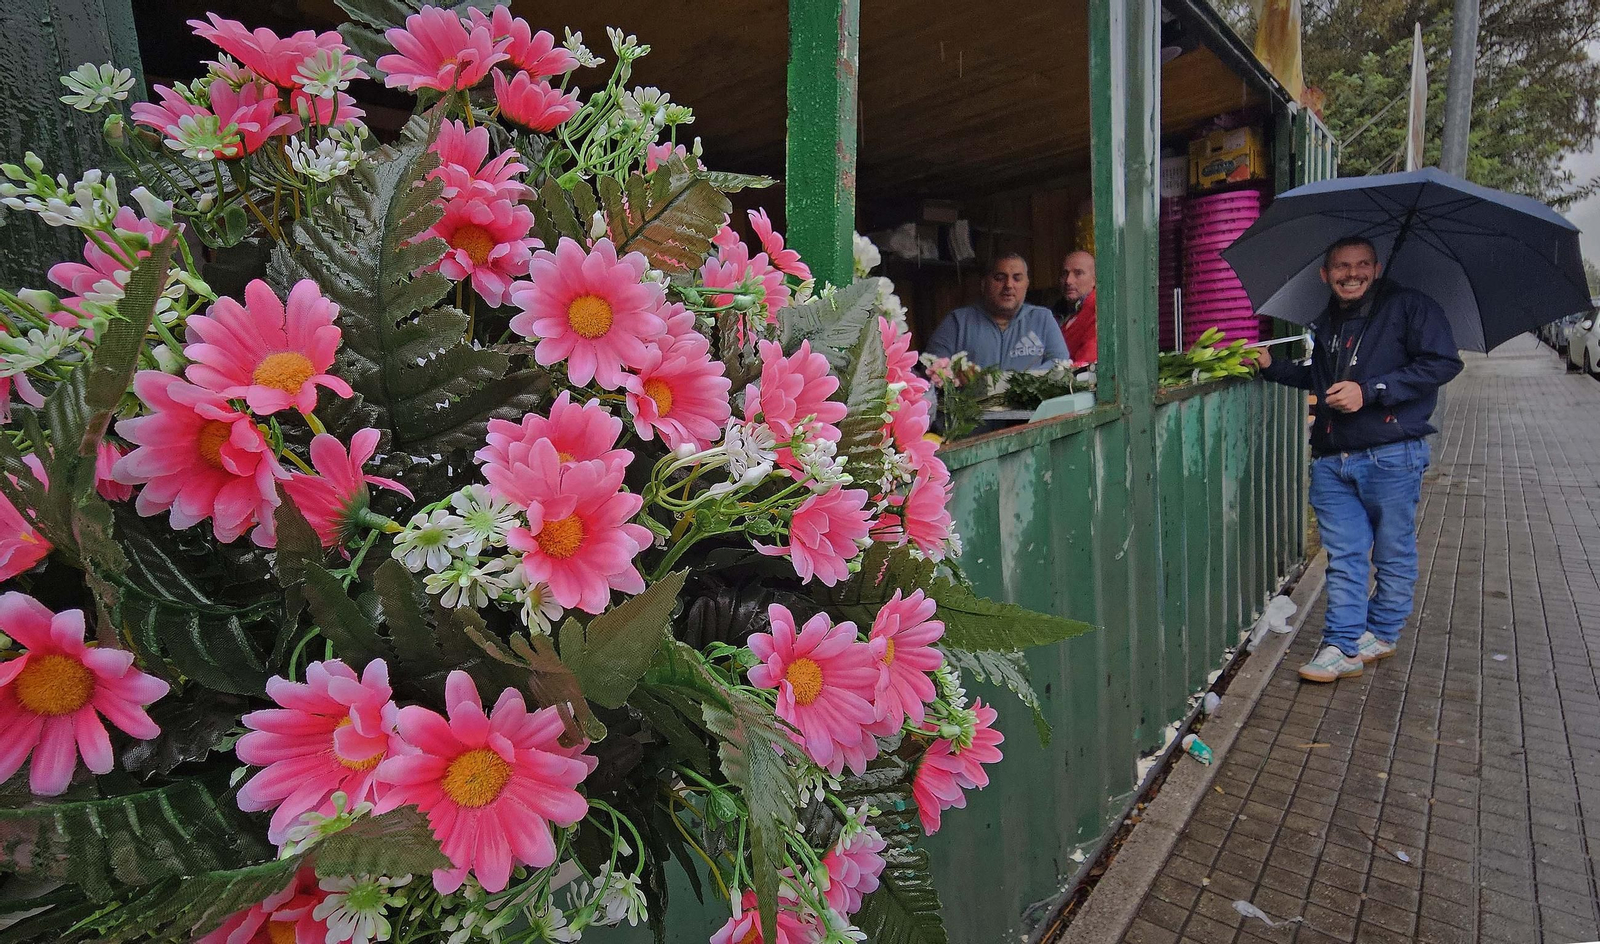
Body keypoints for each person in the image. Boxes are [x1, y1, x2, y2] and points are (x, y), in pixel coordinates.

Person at [1255, 236, 1462, 683]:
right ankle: (1343, 644)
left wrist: (1370, 392)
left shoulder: (1411, 307)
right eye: (1342, 267)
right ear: (1325, 274)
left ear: (1377, 266)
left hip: (1391, 455)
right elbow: (1324, 378)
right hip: (1332, 458)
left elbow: (1443, 363)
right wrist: (1273, 365)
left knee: (1392, 552)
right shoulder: (1328, 319)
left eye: (1362, 265)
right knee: (1345, 555)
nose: (1353, 274)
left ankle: (1382, 632)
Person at [926, 252, 1072, 370]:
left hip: (1030, 406)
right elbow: (933, 368)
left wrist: (1019, 384)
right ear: (984, 284)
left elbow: (1061, 363)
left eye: (1017, 278)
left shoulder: (1042, 319)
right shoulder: (957, 322)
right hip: (974, 406)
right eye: (999, 278)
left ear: (1026, 284)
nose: (1008, 285)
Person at [1053, 250, 1097, 366]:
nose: (1068, 281)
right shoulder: (1057, 310)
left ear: (1094, 279)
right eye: (1064, 273)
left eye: (1078, 273)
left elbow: (1086, 363)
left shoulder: (1097, 310)